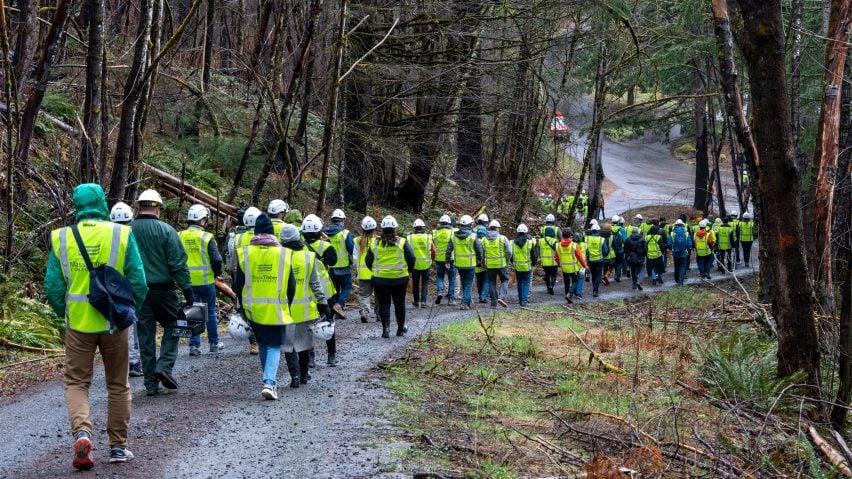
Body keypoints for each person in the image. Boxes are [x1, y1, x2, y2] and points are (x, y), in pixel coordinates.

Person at [45, 184, 148, 469]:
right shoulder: (122, 233)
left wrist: (63, 313)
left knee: (77, 382)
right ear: (102, 202)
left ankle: (82, 433)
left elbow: (53, 286)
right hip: (115, 324)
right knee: (118, 384)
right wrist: (129, 310)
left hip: (78, 324)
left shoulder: (61, 237)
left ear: (76, 205)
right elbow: (138, 281)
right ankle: (117, 447)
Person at [131, 189, 194, 397]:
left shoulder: (126, 231)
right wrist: (188, 290)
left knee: (145, 336)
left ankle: (150, 384)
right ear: (158, 208)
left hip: (137, 293)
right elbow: (178, 264)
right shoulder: (167, 231)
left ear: (138, 207)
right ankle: (164, 367)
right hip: (164, 291)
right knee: (176, 325)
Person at [278, 224, 332, 389]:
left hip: (285, 308)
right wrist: (323, 303)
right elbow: (316, 284)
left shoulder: (279, 256)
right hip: (306, 309)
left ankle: (294, 376)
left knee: (289, 345)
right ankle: (303, 374)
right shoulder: (309, 256)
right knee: (304, 343)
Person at [179, 205, 224, 357]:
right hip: (206, 282)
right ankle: (214, 343)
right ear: (202, 219)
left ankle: (194, 346)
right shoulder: (207, 237)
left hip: (187, 283)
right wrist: (216, 273)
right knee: (210, 312)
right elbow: (217, 259)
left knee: (193, 312)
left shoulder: (180, 235)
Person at [365, 216, 416, 338]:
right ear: (395, 228)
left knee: (384, 304)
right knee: (400, 304)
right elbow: (412, 258)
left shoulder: (375, 243)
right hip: (400, 279)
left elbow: (368, 261)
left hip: (380, 280)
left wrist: (376, 271)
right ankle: (400, 329)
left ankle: (385, 330)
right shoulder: (402, 242)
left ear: (382, 229)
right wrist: (408, 271)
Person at [109, 202, 143, 378]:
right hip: (127, 288)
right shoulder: (130, 236)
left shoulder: (105, 235)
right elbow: (136, 268)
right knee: (131, 325)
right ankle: (134, 363)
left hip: (108, 288)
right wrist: (140, 293)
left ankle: (116, 363)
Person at [301, 214, 339, 366]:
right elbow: (334, 261)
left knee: (308, 325)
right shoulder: (326, 246)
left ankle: (311, 357)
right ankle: (331, 356)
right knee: (329, 322)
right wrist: (327, 241)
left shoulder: (299, 247)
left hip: (307, 292)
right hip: (326, 292)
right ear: (319, 231)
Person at [228, 207, 262, 355]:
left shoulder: (237, 237)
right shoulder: (263, 235)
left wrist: (234, 278)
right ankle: (263, 340)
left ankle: (254, 343)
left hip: (241, 277)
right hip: (259, 278)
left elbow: (232, 261)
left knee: (247, 310)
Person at [448, 215, 483, 310]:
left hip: (459, 264)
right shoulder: (473, 236)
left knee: (464, 283)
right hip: (470, 264)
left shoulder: (453, 236)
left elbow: (449, 249)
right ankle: (464, 303)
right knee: (468, 284)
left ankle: (469, 302)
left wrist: (447, 260)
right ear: (470, 224)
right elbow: (479, 250)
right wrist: (480, 259)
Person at [482, 220, 513, 308]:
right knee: (505, 280)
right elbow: (509, 252)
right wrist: (506, 260)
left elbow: (482, 253)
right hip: (501, 264)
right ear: (497, 229)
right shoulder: (502, 238)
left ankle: (493, 303)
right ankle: (502, 297)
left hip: (490, 265)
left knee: (491, 283)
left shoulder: (484, 240)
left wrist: (484, 264)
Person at [407, 219, 436, 308]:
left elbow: (407, 252)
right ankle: (423, 301)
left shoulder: (409, 238)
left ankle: (416, 301)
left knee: (415, 283)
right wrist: (432, 259)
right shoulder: (428, 237)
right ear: (423, 228)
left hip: (414, 265)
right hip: (426, 264)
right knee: (425, 283)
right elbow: (434, 250)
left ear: (414, 228)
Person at [554, 228, 587, 303]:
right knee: (575, 282)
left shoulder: (558, 245)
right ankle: (570, 294)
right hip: (573, 268)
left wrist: (559, 264)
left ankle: (567, 296)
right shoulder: (574, 245)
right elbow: (580, 257)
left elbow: (556, 257)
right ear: (570, 235)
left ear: (562, 235)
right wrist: (585, 265)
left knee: (566, 282)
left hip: (564, 268)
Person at [354, 216, 378, 322]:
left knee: (364, 294)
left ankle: (364, 311)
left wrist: (357, 270)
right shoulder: (378, 241)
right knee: (379, 294)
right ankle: (380, 314)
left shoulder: (357, 241)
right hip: (377, 273)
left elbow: (354, 257)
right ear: (375, 228)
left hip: (363, 273)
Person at [433, 215, 456, 305]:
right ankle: (451, 299)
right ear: (449, 223)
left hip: (439, 258)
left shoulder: (435, 232)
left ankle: (439, 292)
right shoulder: (453, 231)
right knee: (452, 278)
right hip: (450, 258)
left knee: (439, 276)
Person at [512, 224, 538, 307]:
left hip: (517, 267)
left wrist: (513, 262)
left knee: (519, 283)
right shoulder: (530, 242)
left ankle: (520, 299)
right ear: (526, 232)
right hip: (527, 266)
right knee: (526, 283)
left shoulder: (512, 242)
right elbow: (534, 255)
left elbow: (511, 255)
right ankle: (524, 300)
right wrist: (533, 263)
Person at [539, 214, 561, 295]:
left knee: (547, 274)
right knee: (554, 274)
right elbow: (561, 240)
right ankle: (552, 286)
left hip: (544, 259)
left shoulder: (542, 229)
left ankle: (548, 288)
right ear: (553, 221)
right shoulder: (556, 229)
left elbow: (541, 240)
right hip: (553, 258)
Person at [585, 223, 609, 297]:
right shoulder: (601, 239)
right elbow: (605, 251)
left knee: (594, 275)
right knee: (598, 276)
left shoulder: (587, 238)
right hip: (599, 260)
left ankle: (594, 289)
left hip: (591, 260)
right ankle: (595, 291)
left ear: (592, 231)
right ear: (598, 231)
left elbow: (585, 249)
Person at [668, 219, 693, 286]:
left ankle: (676, 279)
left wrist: (672, 249)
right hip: (684, 254)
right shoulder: (686, 233)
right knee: (682, 267)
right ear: (683, 225)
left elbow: (669, 244)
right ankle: (680, 282)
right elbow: (690, 244)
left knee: (676, 267)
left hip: (675, 254)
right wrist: (687, 249)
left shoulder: (672, 233)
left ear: (675, 225)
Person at [624, 226, 647, 290]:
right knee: (642, 270)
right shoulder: (642, 239)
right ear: (638, 232)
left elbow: (625, 249)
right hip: (640, 257)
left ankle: (634, 284)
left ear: (632, 232)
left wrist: (628, 256)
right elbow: (645, 249)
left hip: (632, 258)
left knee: (633, 271)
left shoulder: (628, 239)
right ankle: (639, 282)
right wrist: (644, 255)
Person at [474, 222, 490, 303]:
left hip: (476, 264)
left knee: (479, 281)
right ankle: (483, 296)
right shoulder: (486, 241)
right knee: (486, 280)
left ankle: (480, 296)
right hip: (485, 263)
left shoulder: (474, 239)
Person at [612, 216, 627, 282]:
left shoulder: (611, 228)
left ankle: (616, 274)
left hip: (612, 249)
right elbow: (625, 240)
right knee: (620, 262)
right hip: (621, 249)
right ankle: (617, 276)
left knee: (616, 262)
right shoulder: (622, 229)